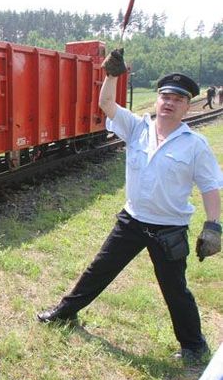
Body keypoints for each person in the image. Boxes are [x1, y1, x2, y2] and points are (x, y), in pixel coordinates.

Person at [37, 49, 223, 364]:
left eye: (177, 99)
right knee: (98, 270)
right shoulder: (139, 128)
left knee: (175, 288)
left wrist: (213, 225)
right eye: (165, 96)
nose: (168, 102)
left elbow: (209, 186)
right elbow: (106, 104)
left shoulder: (195, 145)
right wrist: (111, 75)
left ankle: (194, 345)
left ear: (187, 104)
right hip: (132, 221)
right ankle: (64, 312)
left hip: (169, 228)